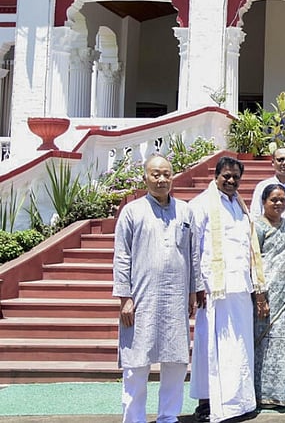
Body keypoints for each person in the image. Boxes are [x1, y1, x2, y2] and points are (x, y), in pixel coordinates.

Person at [114, 155, 199, 423]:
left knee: (175, 361)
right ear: (145, 178)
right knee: (136, 362)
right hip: (141, 299)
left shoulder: (185, 211)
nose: (162, 179)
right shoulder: (132, 211)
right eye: (155, 174)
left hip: (176, 298)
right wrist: (125, 297)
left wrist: (192, 291)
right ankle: (134, 418)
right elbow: (121, 256)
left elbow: (193, 254)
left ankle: (168, 417)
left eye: (166, 174)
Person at [190, 156, 267, 423]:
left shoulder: (241, 207)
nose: (231, 180)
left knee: (239, 347)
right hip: (214, 290)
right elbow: (193, 248)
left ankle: (239, 402)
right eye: (227, 176)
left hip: (240, 288)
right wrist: (197, 285)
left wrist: (257, 288)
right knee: (211, 347)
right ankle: (207, 403)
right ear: (216, 176)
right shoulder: (200, 205)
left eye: (236, 177)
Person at [253, 183, 285, 408]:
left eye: (282, 199)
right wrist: (260, 296)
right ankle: (262, 394)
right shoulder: (257, 226)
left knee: (284, 343)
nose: (278, 203)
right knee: (265, 344)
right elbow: (254, 262)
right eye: (274, 199)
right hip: (266, 297)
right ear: (264, 201)